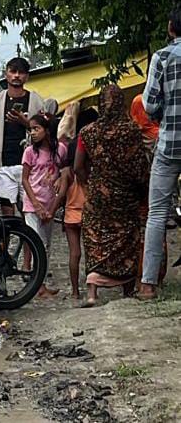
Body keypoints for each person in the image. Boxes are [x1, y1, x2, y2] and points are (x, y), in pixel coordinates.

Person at [73, 85, 150, 307]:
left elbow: (78, 166)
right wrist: (143, 190)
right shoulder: (131, 131)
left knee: (95, 239)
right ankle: (127, 290)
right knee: (127, 239)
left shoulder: (87, 132)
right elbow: (139, 167)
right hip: (126, 197)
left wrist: (90, 186)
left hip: (97, 196)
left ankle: (92, 292)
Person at [140, 4, 181, 300]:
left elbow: (150, 104)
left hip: (169, 145)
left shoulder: (162, 57)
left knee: (156, 214)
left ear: (170, 27)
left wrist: (161, 116)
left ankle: (148, 285)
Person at [0, 57, 45, 215]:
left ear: (27, 76)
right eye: (13, 71)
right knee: (6, 206)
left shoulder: (36, 100)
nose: (17, 75)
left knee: (29, 210)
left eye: (21, 72)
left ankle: (26, 233)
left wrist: (26, 123)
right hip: (3, 163)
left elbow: (45, 132)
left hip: (29, 166)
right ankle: (9, 231)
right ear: (6, 74)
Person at [21, 115, 66, 298]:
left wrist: (52, 208)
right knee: (37, 243)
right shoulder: (30, 152)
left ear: (46, 130)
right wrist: (36, 204)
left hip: (50, 204)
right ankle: (37, 285)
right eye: (30, 129)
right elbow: (25, 179)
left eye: (36, 128)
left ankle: (41, 283)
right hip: (32, 205)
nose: (32, 133)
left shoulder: (60, 150)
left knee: (46, 245)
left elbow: (65, 172)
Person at [57, 103, 98, 299]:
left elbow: (61, 195)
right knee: (91, 252)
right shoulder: (90, 170)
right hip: (88, 212)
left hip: (70, 215)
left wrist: (54, 211)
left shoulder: (66, 173)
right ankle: (92, 290)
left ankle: (75, 292)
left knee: (74, 254)